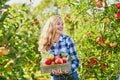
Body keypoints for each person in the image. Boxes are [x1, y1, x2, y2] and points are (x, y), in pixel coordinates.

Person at [38, 15, 80, 80]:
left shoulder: (68, 40)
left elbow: (76, 61)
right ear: (51, 26)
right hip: (55, 78)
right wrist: (51, 71)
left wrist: (68, 70)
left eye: (62, 24)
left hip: (71, 76)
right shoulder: (46, 43)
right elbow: (44, 63)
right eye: (58, 24)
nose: (61, 26)